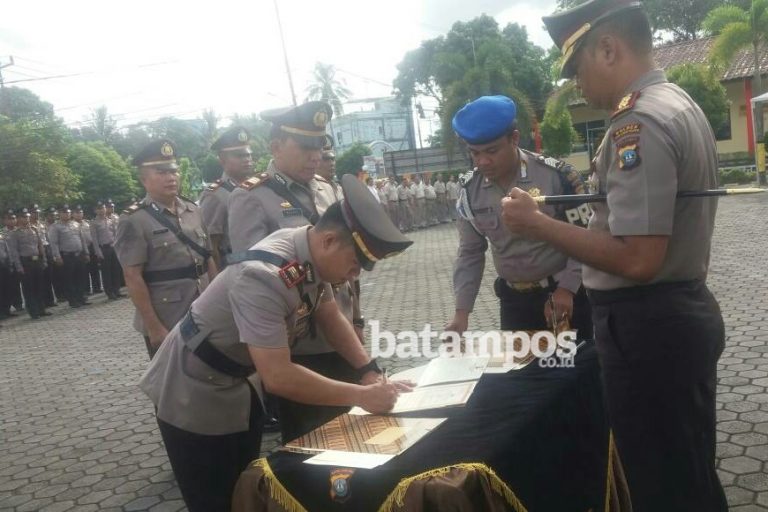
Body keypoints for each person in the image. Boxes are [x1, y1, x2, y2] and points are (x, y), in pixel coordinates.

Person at [498, 1, 727, 510]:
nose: (575, 85)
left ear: (608, 48)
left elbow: (638, 257)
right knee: (687, 474)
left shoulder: (637, 123)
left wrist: (540, 225)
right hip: (672, 318)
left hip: (649, 327)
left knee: (664, 485)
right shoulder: (676, 103)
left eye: (576, 69)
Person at [139, 175, 413, 512]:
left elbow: (329, 315)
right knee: (215, 498)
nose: (354, 276)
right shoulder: (263, 276)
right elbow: (279, 377)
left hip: (238, 383)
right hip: (192, 390)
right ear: (328, 240)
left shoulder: (307, 252)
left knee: (245, 488)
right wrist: (362, 395)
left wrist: (368, 370)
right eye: (355, 265)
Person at [447, 95, 592, 337]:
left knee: (576, 370)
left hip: (566, 295)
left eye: (491, 151)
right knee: (520, 371)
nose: (483, 161)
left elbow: (587, 237)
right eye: (475, 153)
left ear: (514, 138)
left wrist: (567, 288)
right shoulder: (469, 192)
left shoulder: (557, 178)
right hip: (514, 303)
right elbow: (470, 253)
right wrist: (461, 314)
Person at [115, 139, 217, 359]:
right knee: (174, 383)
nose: (171, 177)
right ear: (144, 179)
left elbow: (208, 257)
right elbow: (132, 276)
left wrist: (220, 298)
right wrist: (153, 326)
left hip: (203, 306)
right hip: (167, 314)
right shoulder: (134, 219)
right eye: (161, 172)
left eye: (174, 171)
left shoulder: (193, 210)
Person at [198, 126, 255, 269]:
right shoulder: (215, 195)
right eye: (239, 155)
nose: (247, 159)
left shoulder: (255, 188)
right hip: (234, 268)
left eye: (248, 155)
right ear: (223, 160)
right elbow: (212, 246)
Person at [9, 207, 50, 319]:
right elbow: (14, 252)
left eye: (27, 216)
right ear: (18, 219)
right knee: (29, 288)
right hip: (25, 262)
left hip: (37, 260)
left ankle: (41, 309)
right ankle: (33, 311)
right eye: (23, 217)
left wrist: (44, 259)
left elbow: (40, 245)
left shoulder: (35, 229)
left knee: (39, 286)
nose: (26, 218)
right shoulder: (15, 233)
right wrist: (19, 266)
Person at [48, 204, 89, 308]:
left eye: (68, 212)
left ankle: (81, 298)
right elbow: (54, 243)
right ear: (60, 214)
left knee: (80, 277)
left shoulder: (75, 224)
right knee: (69, 279)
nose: (67, 214)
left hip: (78, 254)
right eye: (64, 212)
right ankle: (73, 300)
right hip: (66, 256)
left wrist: (86, 252)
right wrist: (57, 256)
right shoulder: (55, 227)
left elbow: (82, 239)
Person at [91, 200, 124, 300]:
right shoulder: (94, 223)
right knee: (106, 272)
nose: (102, 210)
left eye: (103, 208)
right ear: (95, 211)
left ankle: (117, 290)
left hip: (113, 246)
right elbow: (94, 239)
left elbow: (115, 234)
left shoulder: (110, 220)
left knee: (116, 269)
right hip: (103, 248)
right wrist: (98, 252)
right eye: (99, 209)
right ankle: (109, 292)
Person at [29, 204, 56, 308]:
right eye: (34, 212)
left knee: (49, 277)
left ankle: (50, 300)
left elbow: (47, 238)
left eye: (38, 212)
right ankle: (42, 301)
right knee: (40, 278)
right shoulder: (29, 226)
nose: (37, 214)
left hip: (46, 250)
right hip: (37, 252)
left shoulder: (41, 225)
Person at [73, 204, 101, 296]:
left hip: (90, 247)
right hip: (80, 250)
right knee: (84, 271)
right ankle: (86, 290)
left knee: (94, 269)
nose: (79, 214)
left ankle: (97, 288)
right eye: (77, 213)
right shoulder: (72, 225)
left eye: (80, 212)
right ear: (73, 214)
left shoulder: (87, 223)